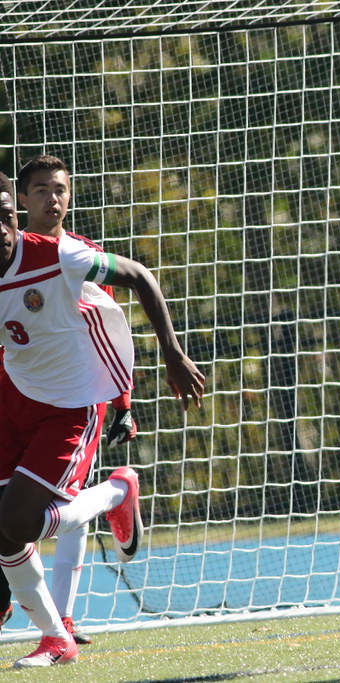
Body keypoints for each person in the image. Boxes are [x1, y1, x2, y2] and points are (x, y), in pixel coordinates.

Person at [0, 171, 205, 667]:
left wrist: (170, 357)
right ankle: (56, 637)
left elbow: (137, 278)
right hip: (13, 400)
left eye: (3, 214)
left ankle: (117, 492)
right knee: (4, 527)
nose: (0, 226)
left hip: (71, 403)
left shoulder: (61, 254)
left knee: (18, 522)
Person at [0, 154, 139, 646]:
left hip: (71, 394)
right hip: (11, 397)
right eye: (40, 190)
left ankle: (61, 619)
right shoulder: (9, 254)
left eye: (59, 190)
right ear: (22, 200)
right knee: (12, 515)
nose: (51, 199)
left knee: (52, 499)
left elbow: (107, 325)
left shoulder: (74, 256)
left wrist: (122, 401)